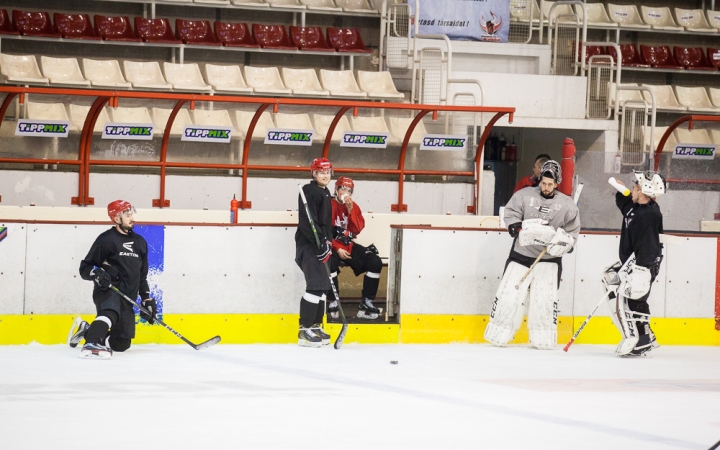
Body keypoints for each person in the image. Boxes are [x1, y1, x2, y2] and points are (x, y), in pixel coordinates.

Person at [484, 160, 580, 349]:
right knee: (508, 297)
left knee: (543, 302)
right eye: (543, 183)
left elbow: (572, 234)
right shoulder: (523, 195)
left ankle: (542, 340)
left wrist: (564, 243)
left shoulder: (567, 205)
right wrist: (516, 227)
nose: (545, 187)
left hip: (549, 260)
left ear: (557, 183)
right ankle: (499, 333)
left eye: (550, 184)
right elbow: (511, 214)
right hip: (521, 255)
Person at [68, 200, 156, 359]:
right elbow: (85, 268)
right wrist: (96, 273)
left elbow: (142, 276)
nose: (132, 219)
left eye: (131, 215)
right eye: (127, 215)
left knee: (122, 344)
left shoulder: (140, 243)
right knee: (109, 312)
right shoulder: (106, 239)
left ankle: (87, 331)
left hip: (127, 296)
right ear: (116, 219)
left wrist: (146, 299)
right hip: (108, 289)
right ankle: (92, 343)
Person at [603, 171, 666, 357]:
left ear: (644, 189)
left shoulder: (648, 215)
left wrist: (633, 272)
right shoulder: (635, 206)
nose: (633, 187)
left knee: (631, 297)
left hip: (643, 266)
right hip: (631, 263)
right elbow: (624, 204)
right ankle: (644, 336)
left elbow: (647, 251)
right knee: (609, 280)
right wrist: (620, 189)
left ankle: (638, 339)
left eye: (636, 186)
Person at [327, 176, 383, 320]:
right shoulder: (328, 205)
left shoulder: (354, 206)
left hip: (349, 246)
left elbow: (357, 229)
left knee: (374, 262)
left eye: (349, 190)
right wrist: (337, 249)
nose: (346, 192)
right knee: (329, 263)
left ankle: (367, 301)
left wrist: (350, 210)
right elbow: (325, 232)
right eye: (343, 188)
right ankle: (333, 300)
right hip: (333, 245)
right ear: (336, 189)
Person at [295, 157, 335, 348]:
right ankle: (304, 330)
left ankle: (316, 326)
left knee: (323, 287)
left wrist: (329, 240)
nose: (325, 175)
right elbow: (307, 223)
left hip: (322, 245)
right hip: (310, 246)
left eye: (327, 172)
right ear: (314, 173)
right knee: (315, 285)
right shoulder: (308, 191)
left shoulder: (325, 192)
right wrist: (319, 244)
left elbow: (324, 222)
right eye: (321, 172)